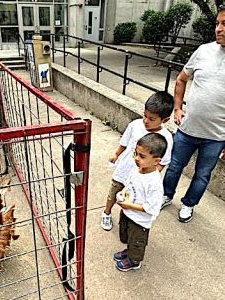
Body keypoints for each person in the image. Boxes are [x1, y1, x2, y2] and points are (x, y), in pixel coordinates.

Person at [161, 6, 225, 223]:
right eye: (217, 23)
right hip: (188, 129)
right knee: (174, 166)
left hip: (217, 137)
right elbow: (181, 79)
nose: (218, 29)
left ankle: (188, 204)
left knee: (202, 175)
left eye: (224, 24)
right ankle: (166, 195)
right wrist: (178, 108)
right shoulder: (203, 51)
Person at [101, 91, 174, 231]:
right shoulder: (135, 125)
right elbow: (125, 142)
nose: (146, 121)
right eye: (145, 115)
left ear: (164, 120)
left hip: (140, 180)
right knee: (114, 192)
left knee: (132, 199)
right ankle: (107, 212)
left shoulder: (166, 138)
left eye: (152, 119)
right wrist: (116, 154)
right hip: (124, 170)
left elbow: (163, 162)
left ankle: (128, 220)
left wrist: (148, 176)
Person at [114, 133, 167, 272]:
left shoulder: (154, 183)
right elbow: (129, 185)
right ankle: (129, 251)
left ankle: (134, 261)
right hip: (128, 213)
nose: (136, 158)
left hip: (140, 221)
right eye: (136, 154)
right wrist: (122, 193)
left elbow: (151, 208)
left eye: (142, 156)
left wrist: (128, 205)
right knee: (127, 236)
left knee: (137, 241)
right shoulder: (137, 170)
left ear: (156, 161)